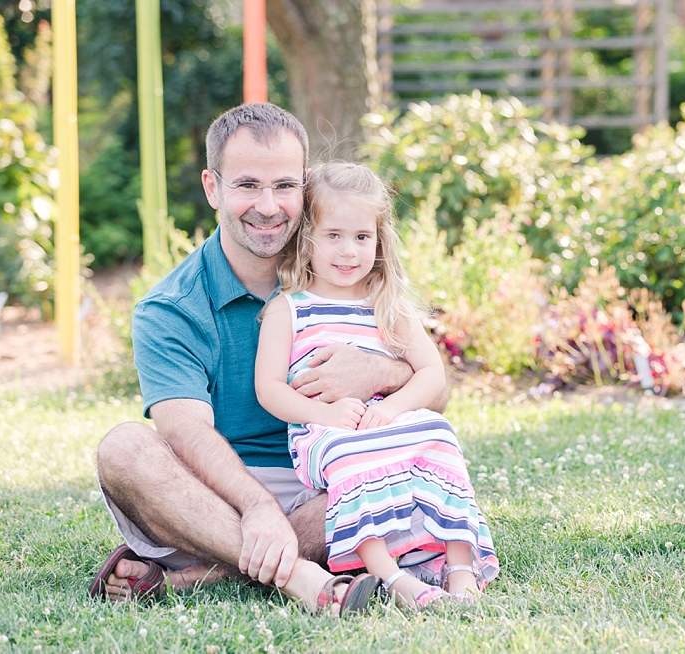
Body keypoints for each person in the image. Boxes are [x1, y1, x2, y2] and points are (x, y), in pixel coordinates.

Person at [90, 103, 433, 616]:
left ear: (305, 186)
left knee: (408, 470)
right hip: (212, 495)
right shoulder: (171, 308)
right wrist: (256, 507)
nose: (269, 206)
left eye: (284, 186)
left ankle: (195, 576)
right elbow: (186, 433)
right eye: (248, 185)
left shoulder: (348, 274)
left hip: (328, 478)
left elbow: (436, 391)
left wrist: (380, 370)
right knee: (123, 449)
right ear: (213, 188)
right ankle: (298, 575)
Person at [254, 162, 499, 609]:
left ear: (379, 240)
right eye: (333, 236)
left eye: (362, 238)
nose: (349, 252)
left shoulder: (386, 303)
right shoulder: (289, 309)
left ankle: (460, 566)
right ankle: (391, 575)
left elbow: (431, 374)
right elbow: (269, 388)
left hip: (388, 418)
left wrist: (393, 408)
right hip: (327, 429)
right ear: (306, 237)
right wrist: (323, 413)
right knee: (350, 454)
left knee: (440, 435)